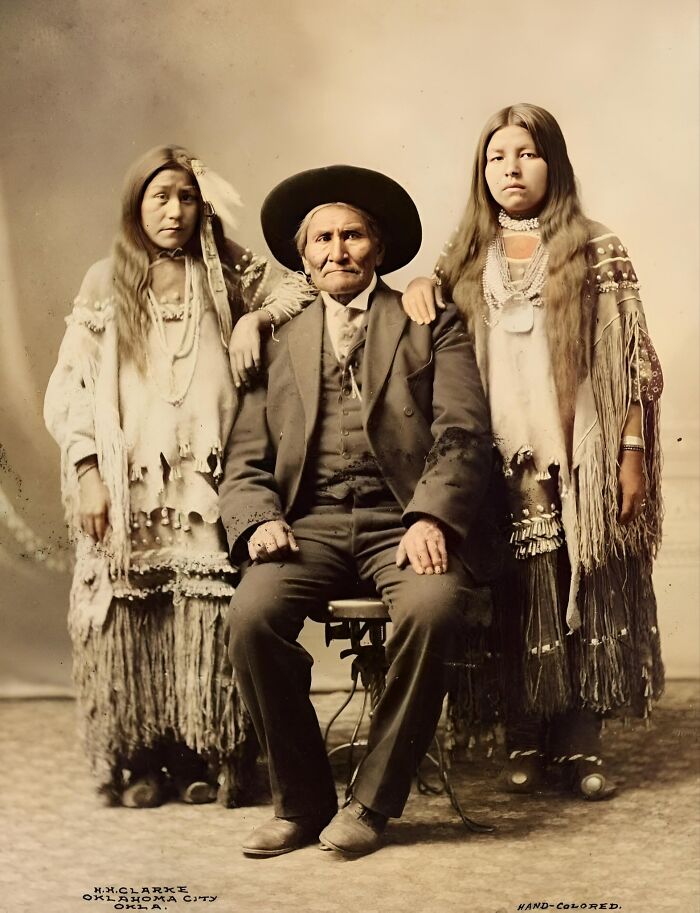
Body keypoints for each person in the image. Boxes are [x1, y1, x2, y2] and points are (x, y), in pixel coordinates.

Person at [220, 164, 497, 858]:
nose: (336, 251)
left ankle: (373, 800)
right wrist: (257, 519)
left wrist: (432, 517)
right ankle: (303, 800)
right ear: (302, 253)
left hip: (400, 521)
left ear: (379, 246)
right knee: (250, 617)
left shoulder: (426, 319)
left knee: (432, 609)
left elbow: (463, 432)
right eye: (321, 239)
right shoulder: (278, 334)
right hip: (306, 524)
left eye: (351, 236)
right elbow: (244, 455)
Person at [402, 104, 664, 799]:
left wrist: (629, 453)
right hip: (497, 464)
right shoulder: (462, 256)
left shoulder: (595, 246)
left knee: (586, 591)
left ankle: (579, 744)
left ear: (554, 162)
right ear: (481, 171)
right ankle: (523, 735)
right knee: (516, 597)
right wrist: (423, 284)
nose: (511, 168)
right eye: (496, 157)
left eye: (526, 153)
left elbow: (630, 363)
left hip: (577, 458)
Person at [44, 145, 316, 808]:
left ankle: (211, 751)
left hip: (207, 475)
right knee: (136, 618)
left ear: (203, 207)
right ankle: (143, 754)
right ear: (136, 206)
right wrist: (87, 471)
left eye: (187, 197)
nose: (174, 210)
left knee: (206, 616)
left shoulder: (224, 273)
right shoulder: (105, 280)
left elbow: (301, 285)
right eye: (160, 196)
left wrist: (255, 316)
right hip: (129, 477)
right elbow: (73, 386)